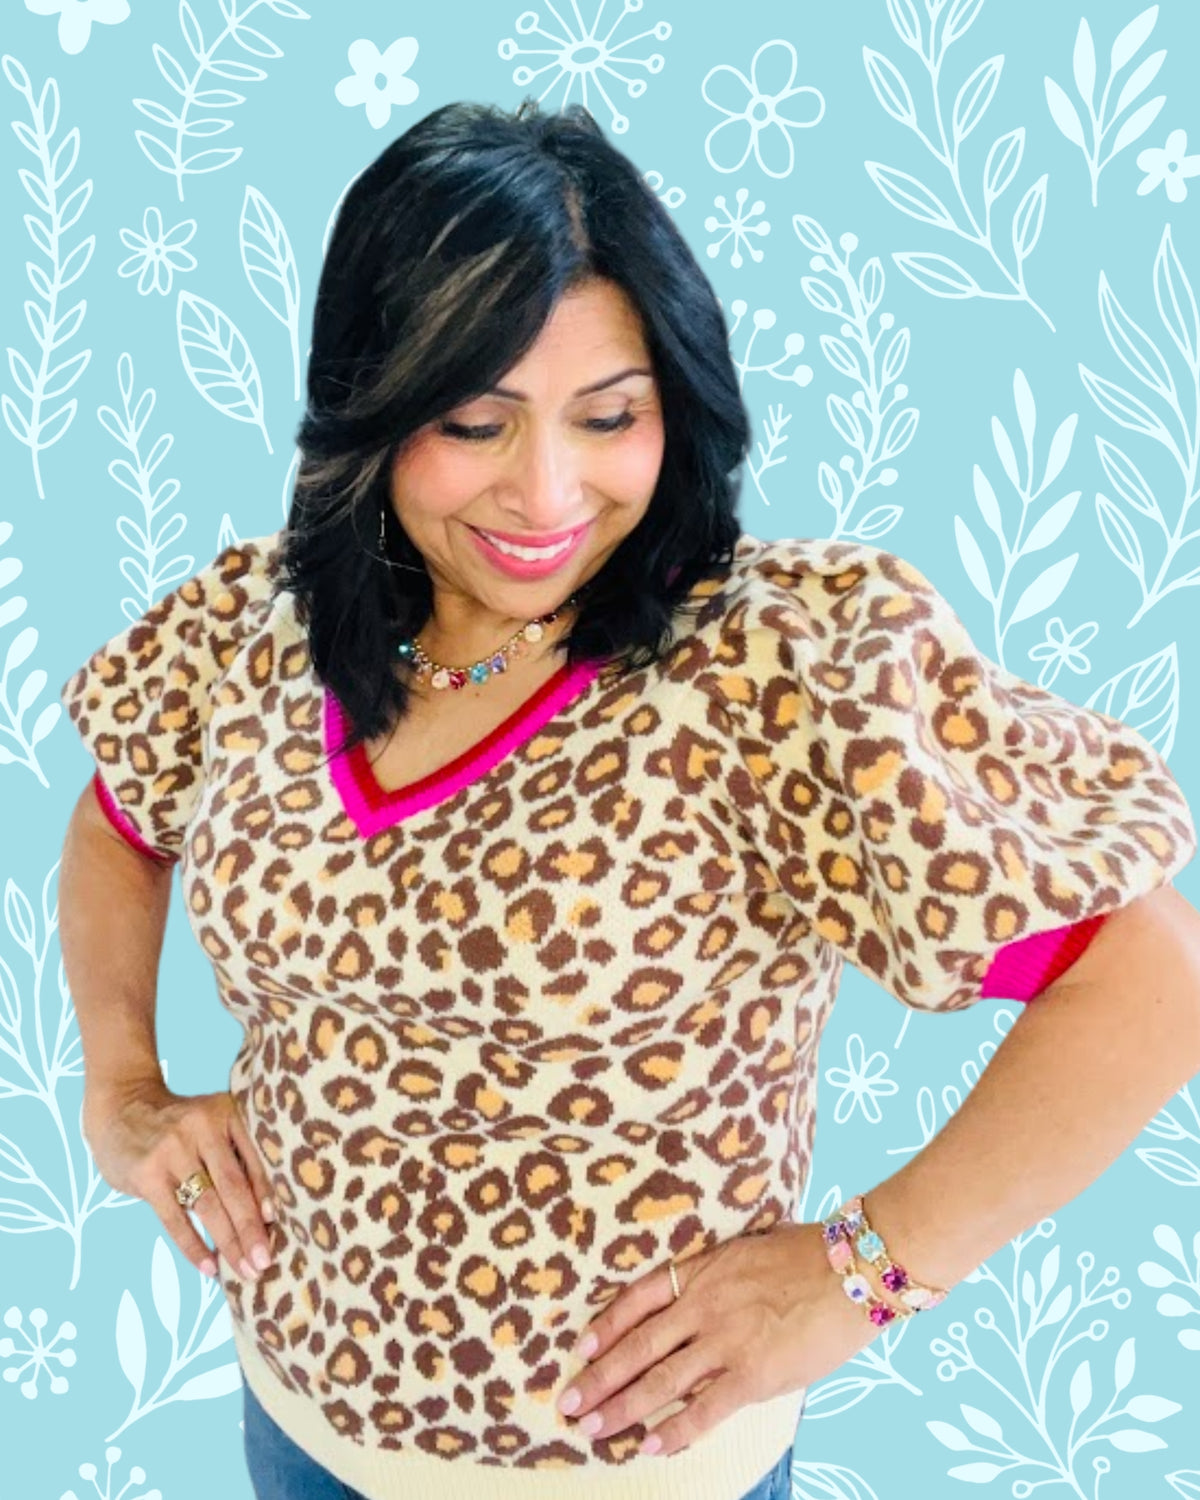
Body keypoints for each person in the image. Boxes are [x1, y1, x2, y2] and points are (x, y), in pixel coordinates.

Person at [57, 99, 1200, 1500]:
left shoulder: (775, 675)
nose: (547, 491)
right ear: (372, 396)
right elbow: (120, 824)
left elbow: (1154, 974)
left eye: (609, 416)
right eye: (473, 421)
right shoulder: (261, 630)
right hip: (298, 1428)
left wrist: (866, 1273)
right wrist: (121, 1087)